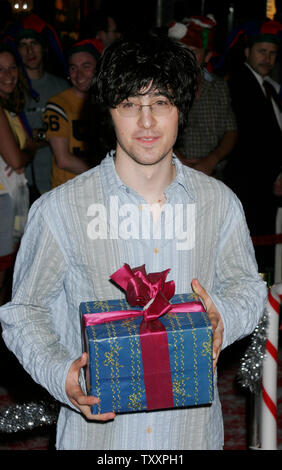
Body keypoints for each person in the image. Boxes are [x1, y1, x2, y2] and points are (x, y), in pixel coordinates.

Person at [0, 34, 266, 450]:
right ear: (109, 112)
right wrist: (61, 372)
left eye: (161, 102)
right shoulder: (61, 209)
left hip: (190, 435)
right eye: (129, 105)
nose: (146, 122)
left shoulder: (218, 203)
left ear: (181, 108)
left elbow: (248, 287)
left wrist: (223, 318)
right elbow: (25, 311)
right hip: (99, 437)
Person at [223, 19, 282, 272]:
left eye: (272, 53)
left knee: (264, 256)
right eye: (262, 51)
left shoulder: (270, 87)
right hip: (249, 184)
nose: (267, 58)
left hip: (266, 186)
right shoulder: (239, 83)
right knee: (251, 256)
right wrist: (276, 173)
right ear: (247, 52)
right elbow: (252, 139)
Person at [168, 15, 237, 179]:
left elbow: (231, 131)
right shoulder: (165, 87)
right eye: (182, 50)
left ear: (207, 56)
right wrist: (178, 160)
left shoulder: (218, 87)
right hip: (172, 173)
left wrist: (212, 160)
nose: (186, 57)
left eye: (193, 51)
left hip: (213, 174)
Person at [13, 16, 69, 196]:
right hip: (19, 184)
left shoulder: (62, 87)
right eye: (23, 45)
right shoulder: (11, 89)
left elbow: (70, 131)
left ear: (44, 48)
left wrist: (36, 136)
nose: (29, 50)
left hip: (57, 183)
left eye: (34, 43)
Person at [42, 39, 103, 188]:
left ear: (98, 68)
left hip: (97, 190)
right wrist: (105, 175)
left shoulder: (106, 103)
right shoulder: (58, 104)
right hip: (67, 191)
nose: (79, 74)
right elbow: (63, 159)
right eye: (73, 68)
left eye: (86, 66)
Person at [0, 44, 34, 302]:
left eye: (12, 67)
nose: (7, 74)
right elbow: (15, 158)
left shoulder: (10, 110)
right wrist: (30, 150)